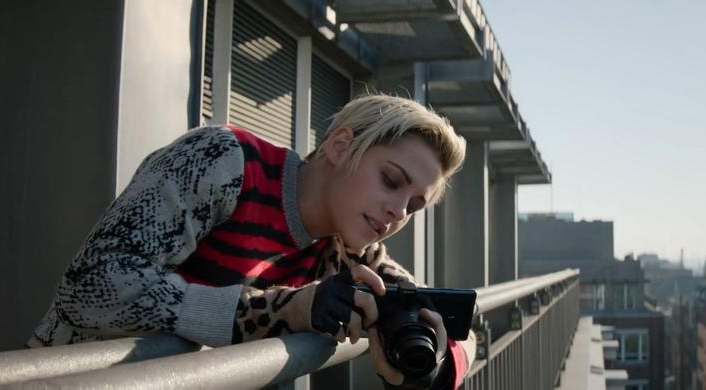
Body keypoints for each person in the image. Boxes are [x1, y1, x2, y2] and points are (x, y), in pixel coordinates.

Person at [29, 94, 475, 389]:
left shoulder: (349, 247)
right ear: (340, 147)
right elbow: (92, 286)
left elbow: (455, 330)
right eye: (391, 180)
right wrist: (284, 312)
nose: (399, 212)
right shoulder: (222, 161)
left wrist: (425, 367)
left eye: (414, 206)